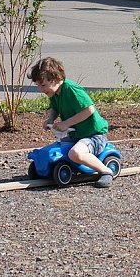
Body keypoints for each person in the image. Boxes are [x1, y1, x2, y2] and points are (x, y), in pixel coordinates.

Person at [28, 57, 114, 188]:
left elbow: (89, 109)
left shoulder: (71, 90)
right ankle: (46, 167)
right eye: (38, 85)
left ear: (57, 78)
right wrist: (50, 119)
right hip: (76, 135)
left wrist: (67, 123)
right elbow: (55, 108)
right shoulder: (55, 93)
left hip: (93, 135)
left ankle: (106, 171)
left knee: (75, 153)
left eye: (43, 85)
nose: (41, 89)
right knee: (55, 148)